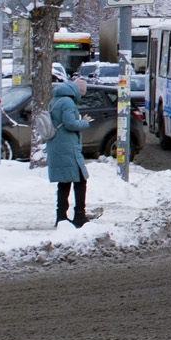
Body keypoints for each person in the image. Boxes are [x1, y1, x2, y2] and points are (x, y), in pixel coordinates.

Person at [49, 76, 97, 228]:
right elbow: (70, 124)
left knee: (64, 183)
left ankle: (61, 217)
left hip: (58, 145)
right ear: (78, 91)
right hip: (67, 147)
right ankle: (79, 216)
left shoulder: (56, 100)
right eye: (82, 94)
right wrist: (84, 122)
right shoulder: (68, 102)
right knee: (81, 180)